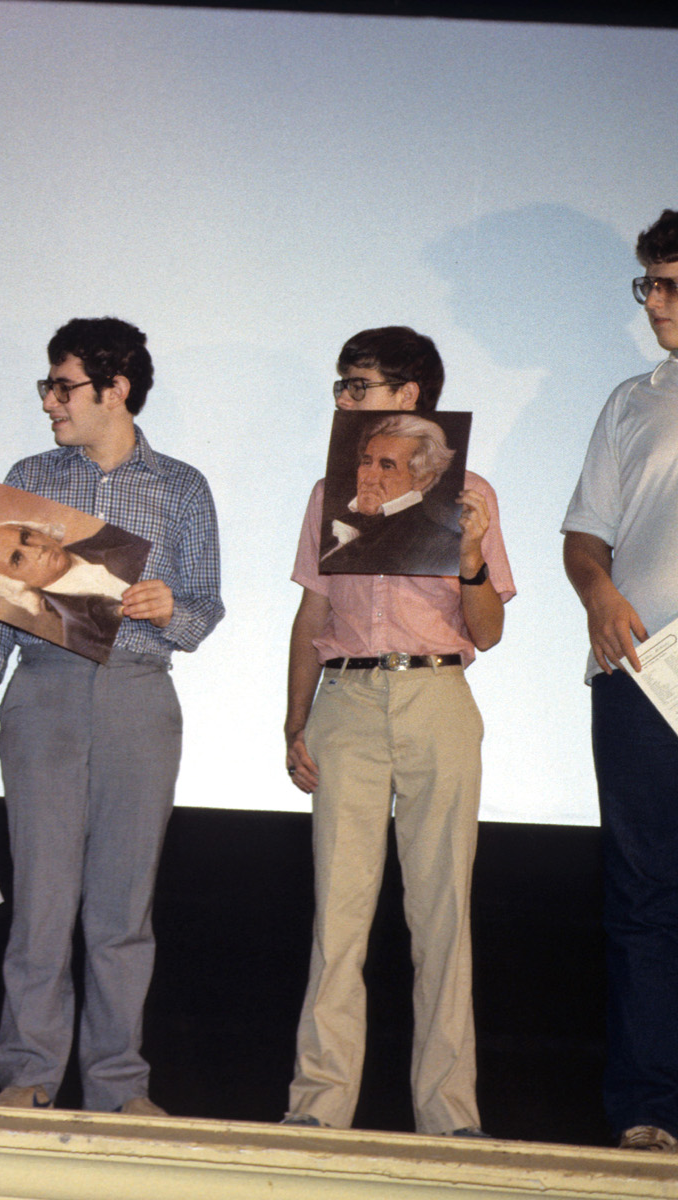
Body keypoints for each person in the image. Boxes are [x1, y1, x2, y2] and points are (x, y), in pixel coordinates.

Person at [0, 317, 222, 1114]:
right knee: (41, 902)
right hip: (43, 691)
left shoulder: (180, 487)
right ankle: (29, 1074)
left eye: (63, 386)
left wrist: (170, 609)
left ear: (116, 389)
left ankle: (117, 1085)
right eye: (48, 385)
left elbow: (205, 609)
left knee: (123, 907)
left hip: (139, 693)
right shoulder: (30, 477)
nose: (49, 401)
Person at [281, 325, 512, 1136]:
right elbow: (311, 611)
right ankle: (317, 1108)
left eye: (359, 385)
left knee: (443, 912)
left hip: (435, 693)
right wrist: (295, 719)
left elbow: (488, 631)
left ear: (408, 395)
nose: (345, 399)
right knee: (338, 914)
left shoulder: (467, 489)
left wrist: (472, 554)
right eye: (343, 386)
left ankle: (449, 1117)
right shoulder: (331, 490)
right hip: (345, 699)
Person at [560, 208, 678, 1154]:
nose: (654, 304)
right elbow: (584, 533)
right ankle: (648, 1108)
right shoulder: (631, 402)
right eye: (649, 285)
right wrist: (598, 591)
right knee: (643, 896)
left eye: (670, 286)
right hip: (644, 673)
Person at [319, 413, 462, 573]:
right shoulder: (331, 527)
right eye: (366, 462)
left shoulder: (443, 547)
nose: (369, 478)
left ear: (422, 479)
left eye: (387, 466)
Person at [0, 519, 141, 654]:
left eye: (26, 537)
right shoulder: (81, 637)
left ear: (38, 530)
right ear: (16, 584)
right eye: (18, 559)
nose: (37, 550)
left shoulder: (118, 537)